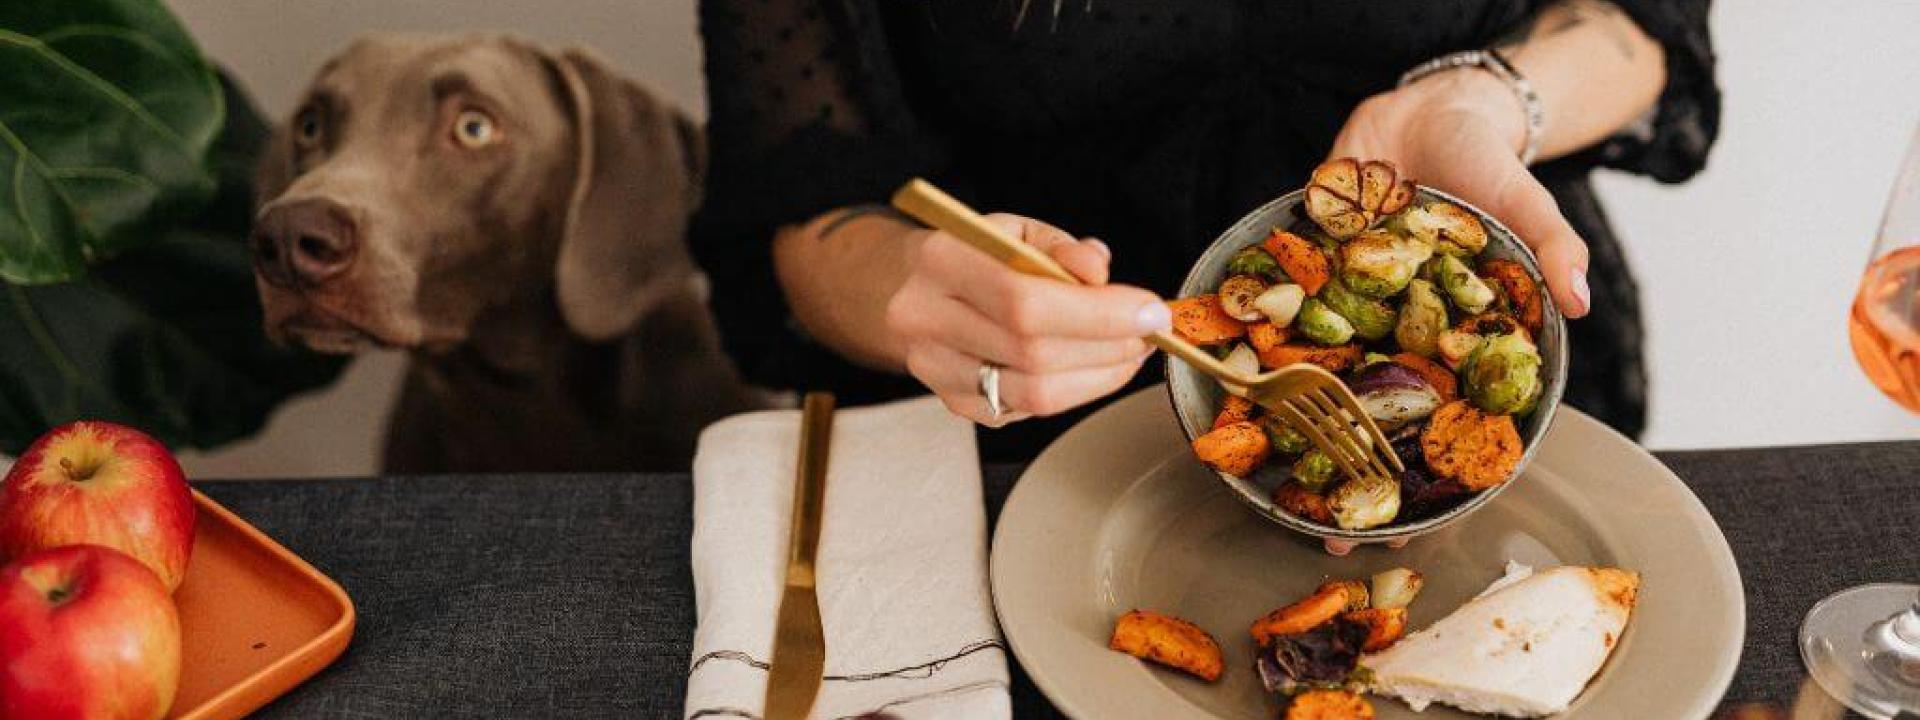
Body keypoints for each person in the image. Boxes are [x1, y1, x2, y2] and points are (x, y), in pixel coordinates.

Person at [692, 0, 1716, 460]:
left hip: (1477, 377)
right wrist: (915, 290)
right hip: (1017, 427)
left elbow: (1643, 24)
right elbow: (798, 206)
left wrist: (1491, 102)